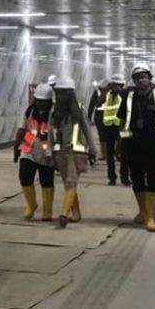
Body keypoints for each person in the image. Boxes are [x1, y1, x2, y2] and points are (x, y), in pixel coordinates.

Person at [117, 65, 155, 232]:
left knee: (153, 179)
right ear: (134, 81)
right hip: (132, 144)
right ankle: (143, 211)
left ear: (150, 78)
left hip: (154, 145)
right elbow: (122, 123)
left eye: (144, 77)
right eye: (137, 78)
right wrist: (119, 145)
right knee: (136, 178)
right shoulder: (129, 99)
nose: (141, 80)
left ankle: (151, 217)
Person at [49, 76, 98, 228]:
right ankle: (76, 214)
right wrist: (50, 153)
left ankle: (64, 213)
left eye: (65, 93)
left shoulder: (79, 111)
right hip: (61, 153)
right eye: (59, 93)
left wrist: (93, 151)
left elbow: (87, 130)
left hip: (76, 153)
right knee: (68, 183)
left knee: (71, 181)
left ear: (71, 94)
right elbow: (51, 133)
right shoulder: (54, 112)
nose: (61, 96)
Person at [14, 83, 55, 221]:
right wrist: (16, 148)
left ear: (49, 101)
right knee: (25, 178)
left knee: (47, 181)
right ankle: (31, 205)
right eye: (38, 100)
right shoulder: (29, 111)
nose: (40, 104)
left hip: (46, 153)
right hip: (28, 150)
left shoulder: (54, 114)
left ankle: (47, 211)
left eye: (43, 102)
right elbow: (21, 129)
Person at [95, 76, 130, 186]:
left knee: (124, 153)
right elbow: (99, 103)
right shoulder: (108, 94)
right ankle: (112, 177)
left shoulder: (125, 94)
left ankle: (124, 177)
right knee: (110, 154)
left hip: (122, 126)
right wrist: (106, 90)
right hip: (109, 126)